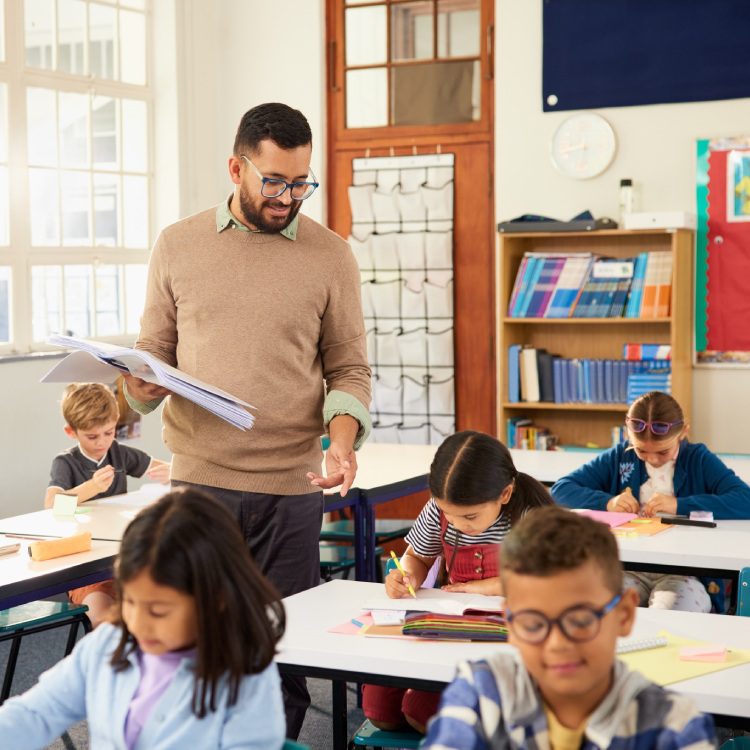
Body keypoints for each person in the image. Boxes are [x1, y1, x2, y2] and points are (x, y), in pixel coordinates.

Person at [121, 102, 371, 736]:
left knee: (279, 651)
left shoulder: (331, 255)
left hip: (291, 486)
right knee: (198, 643)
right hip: (200, 482)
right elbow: (153, 361)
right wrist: (139, 383)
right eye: (275, 181)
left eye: (301, 182)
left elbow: (348, 368)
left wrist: (341, 443)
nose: (289, 197)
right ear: (236, 168)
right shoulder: (177, 244)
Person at [0, 488, 286, 749]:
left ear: (216, 599)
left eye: (158, 611)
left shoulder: (245, 675)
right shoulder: (107, 644)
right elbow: (36, 713)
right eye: (129, 602)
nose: (137, 623)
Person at [421, 505, 716, 750]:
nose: (557, 643)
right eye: (534, 623)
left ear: (623, 615)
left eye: (580, 620)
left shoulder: (673, 726)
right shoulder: (482, 695)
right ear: (510, 622)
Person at [362, 430, 552, 733]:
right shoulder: (440, 511)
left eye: (471, 517)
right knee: (379, 711)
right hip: (451, 626)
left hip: (508, 638)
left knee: (421, 712)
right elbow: (419, 557)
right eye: (449, 515)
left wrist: (490, 586)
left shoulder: (531, 516)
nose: (458, 525)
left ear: (504, 494)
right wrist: (406, 574)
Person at [552, 390, 750, 612]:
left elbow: (745, 499)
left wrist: (679, 505)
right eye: (642, 450)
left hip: (683, 573)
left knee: (671, 618)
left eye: (663, 451)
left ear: (683, 432)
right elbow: (561, 489)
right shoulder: (621, 456)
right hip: (627, 568)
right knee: (597, 608)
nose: (653, 459)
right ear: (628, 435)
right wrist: (608, 502)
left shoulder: (698, 459)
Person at [45, 382, 171, 626]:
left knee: (162, 607)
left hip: (124, 556)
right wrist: (91, 487)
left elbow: (157, 467)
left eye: (109, 432)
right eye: (92, 436)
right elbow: (51, 505)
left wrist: (171, 470)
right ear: (71, 432)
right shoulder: (65, 462)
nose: (102, 442)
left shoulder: (118, 453)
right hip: (86, 564)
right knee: (105, 620)